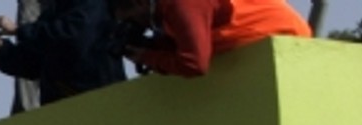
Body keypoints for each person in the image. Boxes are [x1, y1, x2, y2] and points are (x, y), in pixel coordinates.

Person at [108, 0, 309, 77]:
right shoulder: (168, 12)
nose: (138, 26)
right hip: (261, 41)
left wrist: (149, 57)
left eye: (132, 19)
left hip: (285, 37)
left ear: (140, 3)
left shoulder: (182, 5)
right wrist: (156, 49)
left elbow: (195, 64)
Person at [0, 1, 126, 107]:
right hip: (61, 113)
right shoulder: (53, 11)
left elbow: (73, 37)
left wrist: (18, 31)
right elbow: (32, 63)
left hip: (97, 106)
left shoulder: (92, 5)